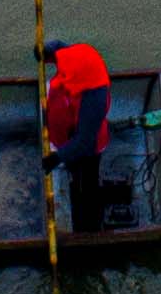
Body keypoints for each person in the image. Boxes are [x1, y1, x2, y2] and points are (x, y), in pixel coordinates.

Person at [40, 37, 119, 238]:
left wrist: (57, 158)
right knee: (74, 172)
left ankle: (89, 225)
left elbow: (84, 142)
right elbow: (58, 47)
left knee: (87, 183)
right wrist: (43, 51)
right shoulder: (78, 55)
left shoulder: (93, 99)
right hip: (65, 139)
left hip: (87, 149)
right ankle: (73, 180)